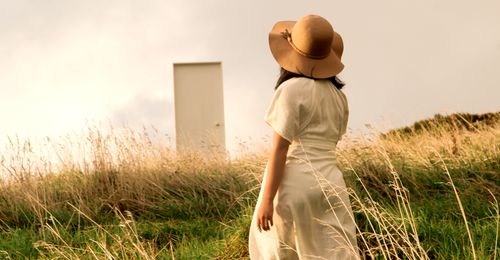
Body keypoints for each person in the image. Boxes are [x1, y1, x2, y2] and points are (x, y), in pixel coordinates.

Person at [248, 14, 359, 259]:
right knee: (335, 252)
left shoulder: (291, 90)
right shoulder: (339, 97)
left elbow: (279, 150)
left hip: (294, 185)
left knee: (285, 252)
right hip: (332, 184)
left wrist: (267, 200)